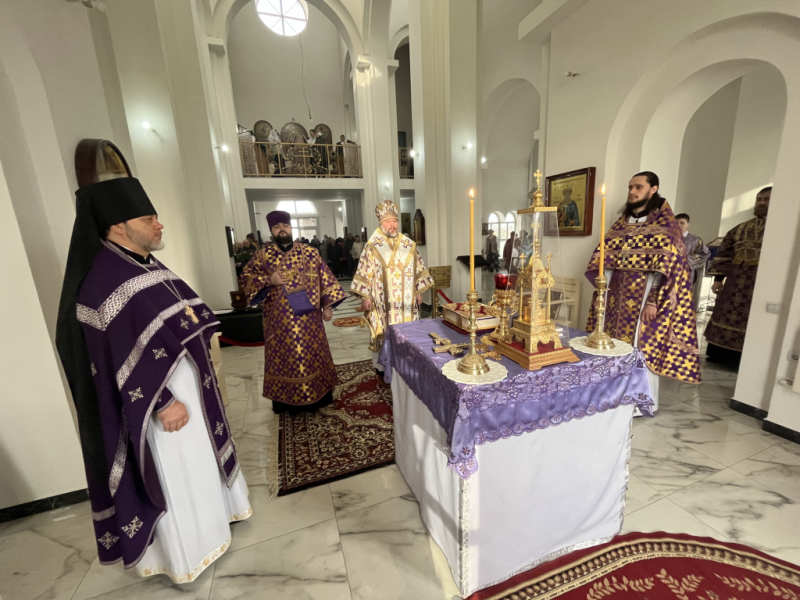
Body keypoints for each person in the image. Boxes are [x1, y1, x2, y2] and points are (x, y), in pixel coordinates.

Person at [56, 177, 251, 582]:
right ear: (118, 226)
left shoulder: (146, 264)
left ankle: (216, 522)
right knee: (177, 472)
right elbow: (114, 356)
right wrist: (162, 402)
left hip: (188, 391)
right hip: (157, 406)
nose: (159, 224)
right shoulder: (104, 279)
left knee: (197, 463)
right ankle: (187, 554)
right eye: (149, 218)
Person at [585, 171, 702, 411]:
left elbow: (667, 269)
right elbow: (606, 258)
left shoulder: (665, 226)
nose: (632, 191)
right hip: (615, 294)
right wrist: (602, 290)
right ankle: (611, 394)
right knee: (609, 340)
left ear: (653, 189)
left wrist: (652, 301)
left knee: (640, 344)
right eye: (630, 187)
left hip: (644, 294)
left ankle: (638, 402)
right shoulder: (622, 224)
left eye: (638, 187)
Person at [240, 211, 346, 413]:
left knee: (312, 354)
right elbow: (246, 277)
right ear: (271, 231)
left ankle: (319, 397)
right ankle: (285, 401)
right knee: (285, 358)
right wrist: (269, 280)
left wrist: (328, 305)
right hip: (278, 321)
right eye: (277, 226)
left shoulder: (309, 252)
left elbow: (325, 277)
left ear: (290, 228)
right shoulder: (262, 256)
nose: (282, 229)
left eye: (285, 226)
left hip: (309, 320)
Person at [351, 200, 434, 373]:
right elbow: (365, 271)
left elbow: (418, 267)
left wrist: (419, 291)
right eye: (388, 222)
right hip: (383, 302)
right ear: (381, 223)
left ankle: (408, 363)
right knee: (384, 331)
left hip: (406, 301)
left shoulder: (408, 245)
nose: (392, 225)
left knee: (408, 333)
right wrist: (365, 296)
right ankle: (383, 367)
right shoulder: (372, 246)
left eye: (394, 221)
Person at [704, 187, 771, 368]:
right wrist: (718, 279)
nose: (762, 203)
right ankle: (720, 353)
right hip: (735, 284)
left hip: (763, 285)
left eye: (766, 199)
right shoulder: (740, 229)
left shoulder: (782, 231)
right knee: (726, 314)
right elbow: (724, 253)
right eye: (759, 199)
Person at [674, 213, 710, 308]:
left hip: (686, 273)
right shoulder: (667, 238)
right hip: (668, 272)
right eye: (676, 223)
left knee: (682, 298)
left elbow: (705, 254)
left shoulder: (695, 240)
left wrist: (687, 260)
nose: (679, 225)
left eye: (682, 223)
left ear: (688, 224)